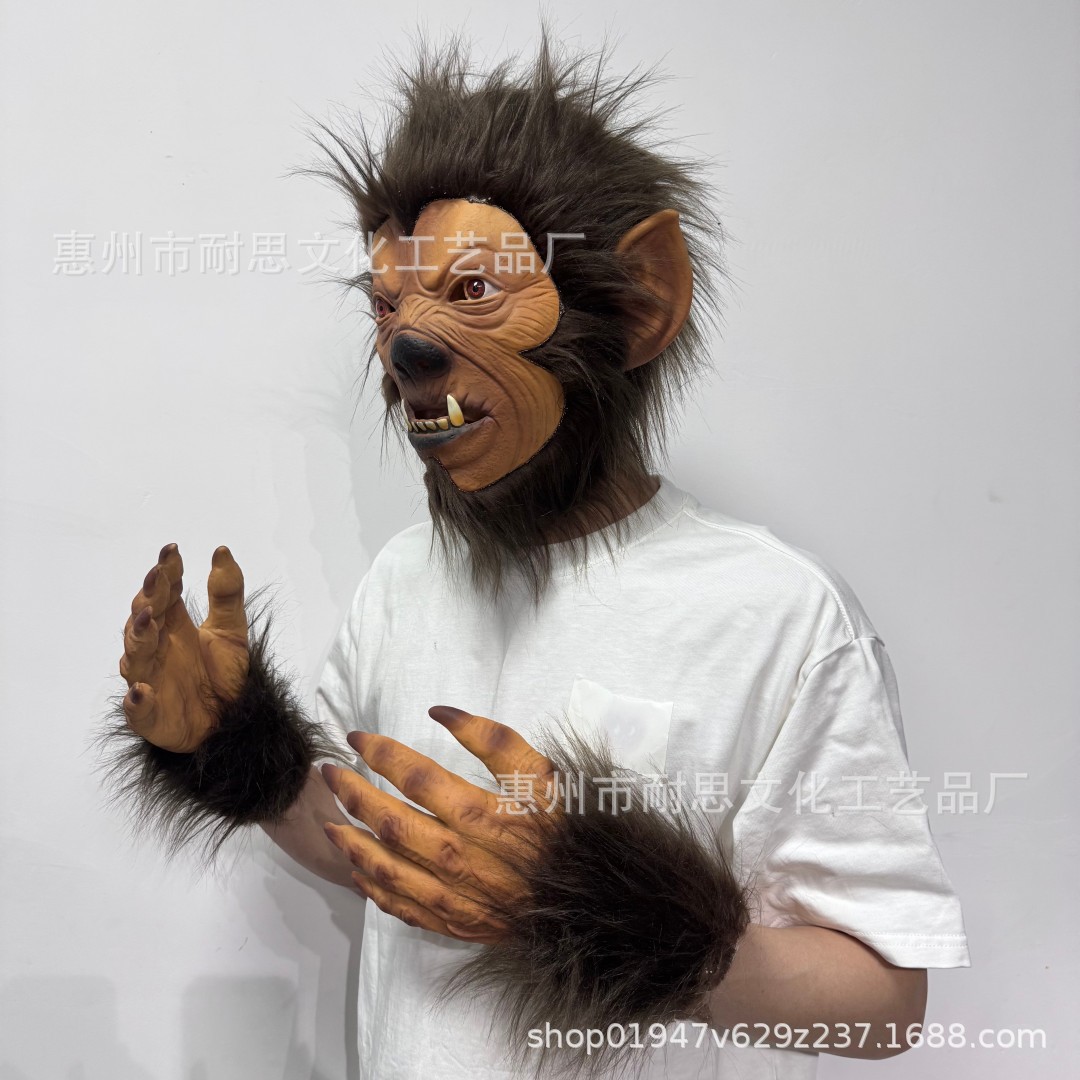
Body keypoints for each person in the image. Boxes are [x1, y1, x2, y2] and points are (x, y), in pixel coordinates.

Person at [107, 36, 969, 1080]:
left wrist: (607, 914)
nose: (406, 349)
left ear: (642, 301)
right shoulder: (403, 581)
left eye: (473, 289)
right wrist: (235, 749)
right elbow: (375, 848)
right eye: (386, 304)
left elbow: (881, 1007)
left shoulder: (778, 613)